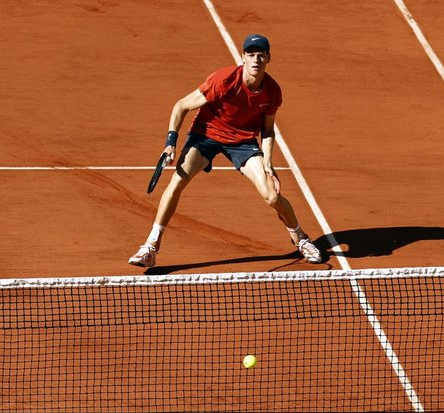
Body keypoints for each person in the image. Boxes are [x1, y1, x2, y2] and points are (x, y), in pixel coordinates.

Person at [128, 33, 323, 269]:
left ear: (268, 59)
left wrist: (269, 164)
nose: (256, 59)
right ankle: (151, 246)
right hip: (207, 135)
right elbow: (181, 106)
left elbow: (268, 131)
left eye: (261, 55)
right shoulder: (222, 81)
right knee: (177, 182)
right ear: (243, 57)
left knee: (272, 196)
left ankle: (300, 238)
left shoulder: (272, 92)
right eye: (250, 55)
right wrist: (171, 142)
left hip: (243, 142)